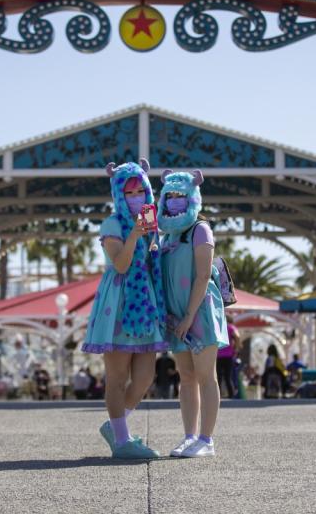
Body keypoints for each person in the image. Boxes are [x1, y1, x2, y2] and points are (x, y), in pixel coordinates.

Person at [81, 160, 167, 459]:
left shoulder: (153, 224)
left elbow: (154, 263)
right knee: (117, 377)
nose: (136, 196)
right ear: (118, 194)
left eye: (141, 190)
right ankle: (121, 441)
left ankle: (116, 426)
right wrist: (134, 235)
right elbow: (121, 264)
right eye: (129, 191)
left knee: (144, 377)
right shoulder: (112, 224)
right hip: (118, 304)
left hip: (146, 304)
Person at [159, 169, 229, 457]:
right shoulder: (167, 237)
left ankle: (206, 439)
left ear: (192, 197)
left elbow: (203, 277)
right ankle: (189, 436)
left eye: (180, 196)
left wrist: (189, 316)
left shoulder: (200, 230)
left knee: (205, 375)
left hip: (199, 314)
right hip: (177, 317)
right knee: (185, 376)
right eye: (170, 196)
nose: (175, 201)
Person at [216, 318, 240, 399]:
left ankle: (216, 395)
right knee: (228, 376)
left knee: (218, 376)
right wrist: (236, 348)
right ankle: (231, 395)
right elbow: (237, 336)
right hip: (229, 355)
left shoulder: (218, 326)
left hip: (218, 355)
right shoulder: (230, 327)